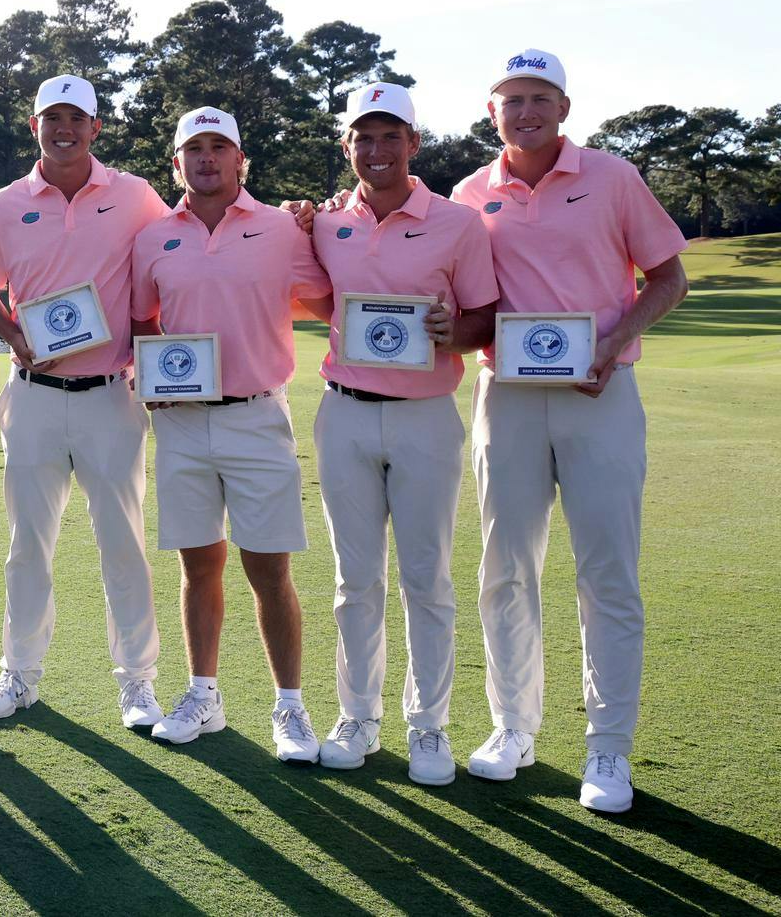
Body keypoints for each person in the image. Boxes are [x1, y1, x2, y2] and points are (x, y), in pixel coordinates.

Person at [449, 49, 688, 812]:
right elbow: (467, 308)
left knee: (606, 572)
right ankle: (512, 728)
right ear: (492, 113)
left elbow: (670, 278)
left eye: (540, 97)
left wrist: (615, 343)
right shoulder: (467, 194)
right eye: (512, 99)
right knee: (505, 567)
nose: (526, 112)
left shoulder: (612, 177)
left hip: (601, 393)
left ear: (564, 107)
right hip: (506, 397)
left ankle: (607, 749)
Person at [295, 83, 498, 785]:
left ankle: (429, 725)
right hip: (344, 410)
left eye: (390, 137)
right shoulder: (324, 222)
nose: (376, 151)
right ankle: (357, 715)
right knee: (355, 580)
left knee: (426, 577)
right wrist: (297, 219)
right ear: (346, 145)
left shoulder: (458, 222)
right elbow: (306, 284)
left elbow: (485, 316)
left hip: (424, 417)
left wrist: (456, 332)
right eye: (363, 138)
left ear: (414, 143)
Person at [0, 75, 170, 727]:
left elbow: (176, 255)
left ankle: (137, 681)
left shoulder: (135, 195)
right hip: (34, 398)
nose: (65, 129)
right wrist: (15, 335)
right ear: (35, 127)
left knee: (123, 543)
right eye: (52, 118)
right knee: (28, 543)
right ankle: (19, 673)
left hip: (112, 394)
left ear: (96, 127)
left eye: (77, 118)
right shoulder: (3, 203)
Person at [131, 107, 333, 764]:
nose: (207, 158)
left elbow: (326, 300)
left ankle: (291, 705)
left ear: (241, 160)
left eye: (220, 147)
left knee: (269, 567)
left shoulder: (280, 227)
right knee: (198, 564)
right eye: (195, 148)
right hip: (182, 421)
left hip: (255, 412)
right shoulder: (154, 235)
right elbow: (143, 322)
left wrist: (320, 220)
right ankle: (203, 694)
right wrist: (153, 374)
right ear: (176, 162)